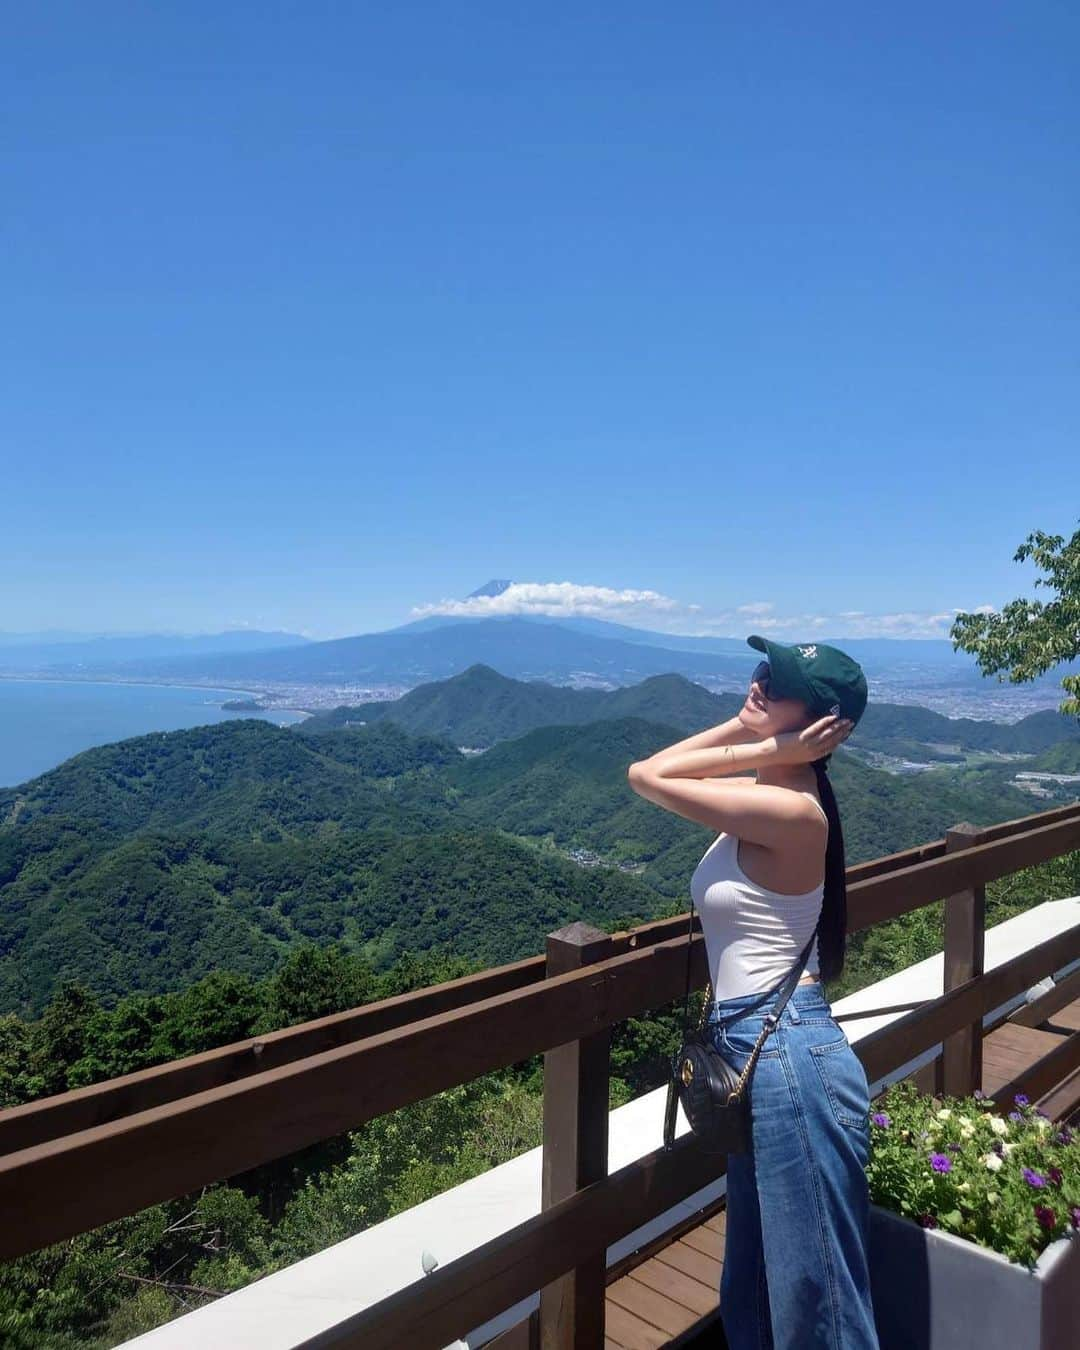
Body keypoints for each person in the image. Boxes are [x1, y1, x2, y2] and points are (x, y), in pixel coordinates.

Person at [627, 634, 879, 1350]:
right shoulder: (770, 792)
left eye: (781, 681)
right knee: (755, 1296)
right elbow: (655, 769)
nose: (760, 680)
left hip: (788, 1057)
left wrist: (779, 748)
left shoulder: (796, 811)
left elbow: (648, 776)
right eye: (762, 668)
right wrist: (756, 729)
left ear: (824, 722)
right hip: (756, 1050)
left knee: (817, 1305)